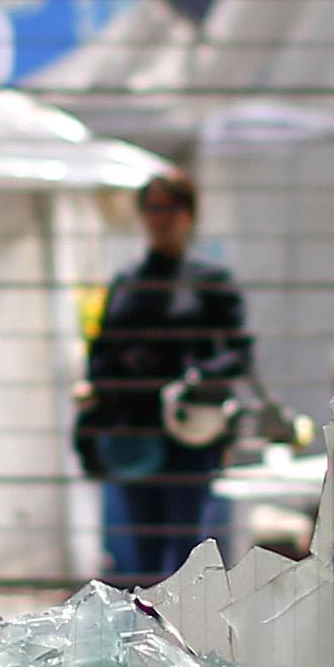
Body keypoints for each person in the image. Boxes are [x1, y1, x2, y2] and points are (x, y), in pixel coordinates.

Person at [78, 172, 252, 585]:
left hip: (191, 436)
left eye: (171, 208)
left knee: (187, 550)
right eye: (154, 208)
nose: (162, 218)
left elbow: (237, 355)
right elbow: (101, 355)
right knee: (142, 554)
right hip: (135, 435)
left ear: (189, 215)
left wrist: (197, 380)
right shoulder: (128, 283)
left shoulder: (211, 283)